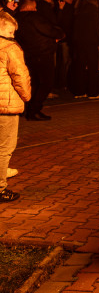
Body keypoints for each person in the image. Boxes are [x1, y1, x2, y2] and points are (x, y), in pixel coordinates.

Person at [0, 11, 31, 202]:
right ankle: (0, 188)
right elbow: (20, 76)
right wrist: (26, 97)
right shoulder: (10, 48)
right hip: (6, 104)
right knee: (4, 147)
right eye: (11, 32)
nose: (13, 36)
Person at [16, 0, 64, 120]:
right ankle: (34, 110)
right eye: (35, 7)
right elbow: (48, 30)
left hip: (29, 54)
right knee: (46, 83)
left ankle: (29, 109)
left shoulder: (17, 19)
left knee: (34, 83)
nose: (36, 9)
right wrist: (59, 35)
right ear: (29, 7)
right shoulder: (34, 17)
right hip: (42, 53)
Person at [69, 0, 99, 99]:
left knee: (80, 67)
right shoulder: (95, 12)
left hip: (79, 43)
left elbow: (74, 29)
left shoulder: (79, 12)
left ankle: (80, 91)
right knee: (93, 68)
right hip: (92, 43)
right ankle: (93, 92)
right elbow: (98, 29)